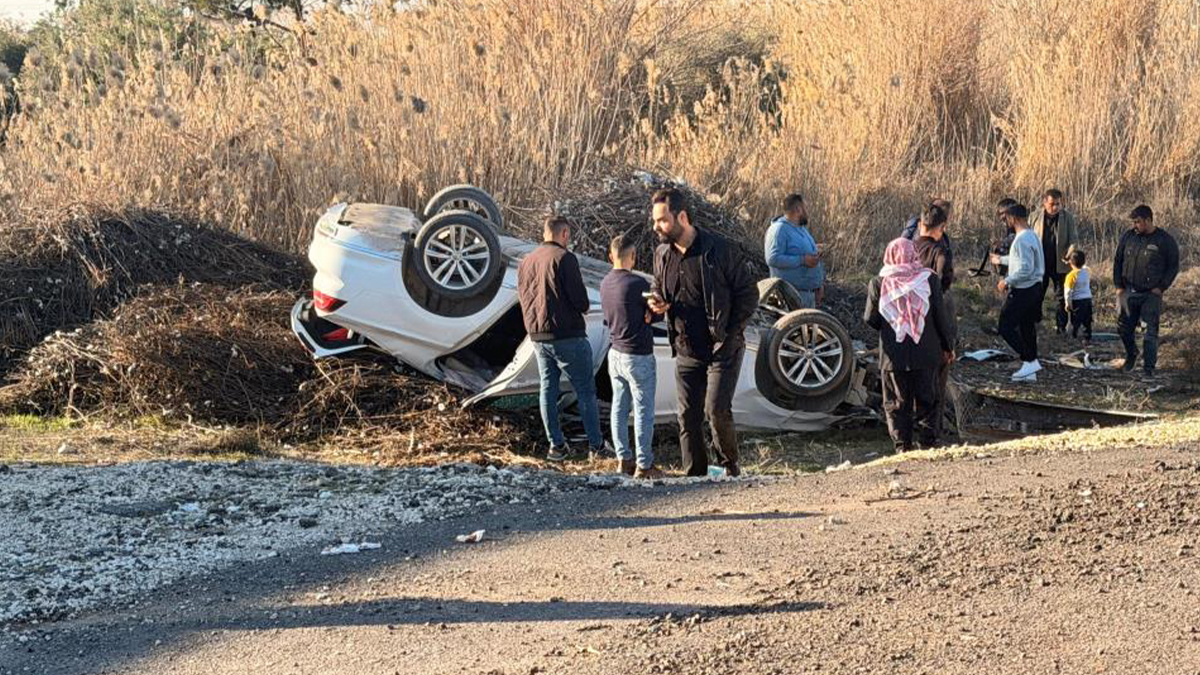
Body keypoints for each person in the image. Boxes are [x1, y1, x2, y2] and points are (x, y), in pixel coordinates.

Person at [648, 187, 758, 477]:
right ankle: (694, 476)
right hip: (685, 348)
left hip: (722, 347)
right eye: (655, 220)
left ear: (681, 216)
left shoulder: (719, 250)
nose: (656, 226)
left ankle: (729, 467)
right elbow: (657, 287)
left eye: (662, 220)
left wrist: (732, 333)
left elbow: (748, 294)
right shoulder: (661, 255)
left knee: (716, 410)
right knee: (687, 415)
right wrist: (656, 301)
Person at [516, 215, 605, 462]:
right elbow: (580, 301)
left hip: (537, 336)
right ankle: (596, 447)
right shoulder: (565, 259)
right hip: (567, 334)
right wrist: (584, 307)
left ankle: (556, 446)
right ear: (564, 233)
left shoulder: (526, 261)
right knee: (586, 390)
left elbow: (523, 297)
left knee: (548, 389)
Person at [864, 238, 954, 452]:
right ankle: (927, 443)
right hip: (927, 351)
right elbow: (940, 317)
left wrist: (890, 326)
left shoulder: (879, 282)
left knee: (896, 402)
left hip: (894, 354)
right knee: (928, 399)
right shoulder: (929, 280)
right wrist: (948, 346)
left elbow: (870, 317)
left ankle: (902, 446)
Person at [600, 233, 664, 479]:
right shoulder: (637, 285)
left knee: (619, 407)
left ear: (610, 256)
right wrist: (654, 314)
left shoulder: (605, 283)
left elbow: (608, 318)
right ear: (633, 257)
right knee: (643, 410)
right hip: (638, 354)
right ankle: (644, 464)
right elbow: (655, 314)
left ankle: (622, 459)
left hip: (614, 352)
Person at [1114, 205, 1180, 378]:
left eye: (1138, 222)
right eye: (1134, 222)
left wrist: (1162, 286)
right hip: (1128, 291)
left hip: (1151, 294)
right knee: (1123, 329)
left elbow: (1173, 266)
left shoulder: (1164, 240)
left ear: (1148, 220)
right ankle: (1132, 355)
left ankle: (1148, 369)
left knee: (1150, 333)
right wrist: (1118, 286)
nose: (1135, 225)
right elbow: (1118, 260)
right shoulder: (1129, 237)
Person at [913, 203, 956, 439]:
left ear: (920, 224)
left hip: (907, 325)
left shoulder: (906, 249)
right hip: (932, 323)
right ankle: (932, 432)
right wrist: (947, 342)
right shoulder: (941, 252)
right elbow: (941, 288)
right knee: (935, 383)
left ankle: (909, 431)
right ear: (942, 227)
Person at [997, 203, 1045, 382]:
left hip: (1024, 289)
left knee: (1005, 326)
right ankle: (1029, 371)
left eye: (1007, 218)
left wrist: (1006, 281)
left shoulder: (1022, 239)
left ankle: (1029, 359)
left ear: (1014, 218)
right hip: (1035, 288)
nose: (1006, 222)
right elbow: (1020, 260)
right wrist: (1001, 259)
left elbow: (1025, 268)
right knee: (1026, 327)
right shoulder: (1031, 235)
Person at [1030, 189, 1079, 333]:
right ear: (1044, 203)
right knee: (1037, 295)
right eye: (1052, 204)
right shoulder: (1034, 217)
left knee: (1061, 297)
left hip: (1060, 264)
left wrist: (1069, 254)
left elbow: (1074, 240)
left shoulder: (1067, 217)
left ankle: (1061, 326)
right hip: (1040, 263)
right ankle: (1034, 322)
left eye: (1058, 204)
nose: (1055, 207)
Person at [764, 193, 824, 308]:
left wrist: (818, 284)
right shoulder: (779, 229)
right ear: (798, 209)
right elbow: (772, 258)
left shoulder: (801, 229)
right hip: (789, 298)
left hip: (807, 295)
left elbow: (799, 252)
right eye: (806, 208)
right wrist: (802, 260)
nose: (808, 212)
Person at [1063, 249, 1093, 347]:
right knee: (1087, 321)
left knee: (1075, 321)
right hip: (1088, 299)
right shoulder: (1086, 272)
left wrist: (1068, 304)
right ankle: (1087, 338)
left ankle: (1073, 337)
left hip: (1077, 301)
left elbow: (1068, 292)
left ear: (1071, 263)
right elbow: (1084, 267)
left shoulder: (1070, 276)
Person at [986, 198, 1019, 277]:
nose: (1001, 217)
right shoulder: (1007, 226)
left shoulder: (1020, 226)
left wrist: (1003, 243)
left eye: (1003, 214)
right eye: (999, 214)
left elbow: (1017, 238)